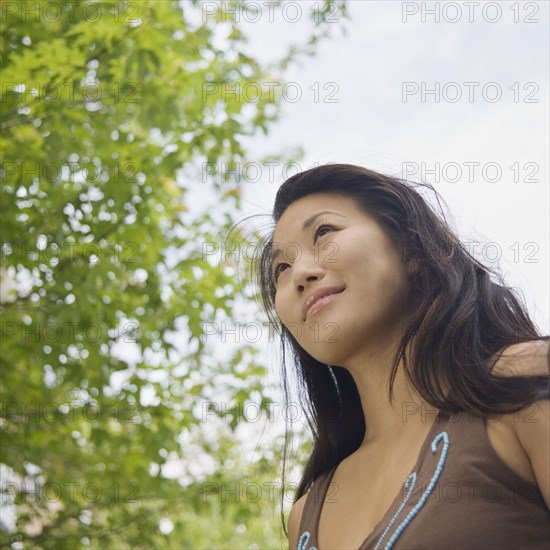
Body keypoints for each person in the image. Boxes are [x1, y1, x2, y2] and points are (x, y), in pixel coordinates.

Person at [253, 163, 550, 549]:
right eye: (282, 267)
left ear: (410, 248)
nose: (300, 274)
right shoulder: (305, 515)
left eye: (324, 232)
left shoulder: (522, 383)